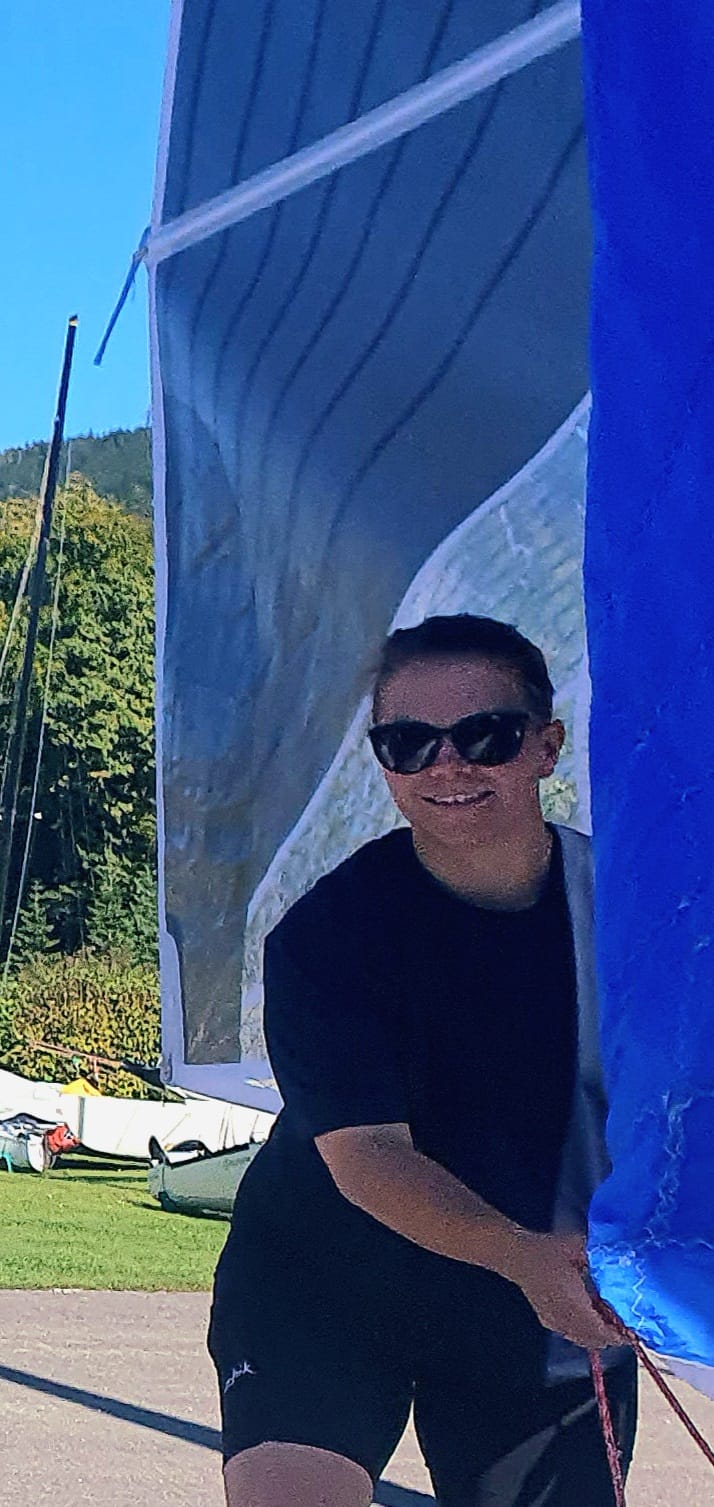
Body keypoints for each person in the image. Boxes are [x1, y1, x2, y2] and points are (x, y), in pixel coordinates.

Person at [208, 614, 638, 1507]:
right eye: (408, 742)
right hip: (328, 1282)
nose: (447, 765)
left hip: (539, 1308)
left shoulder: (635, 926)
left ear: (547, 746)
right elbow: (369, 1157)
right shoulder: (328, 935)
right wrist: (523, 1257)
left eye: (486, 734)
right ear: (384, 762)